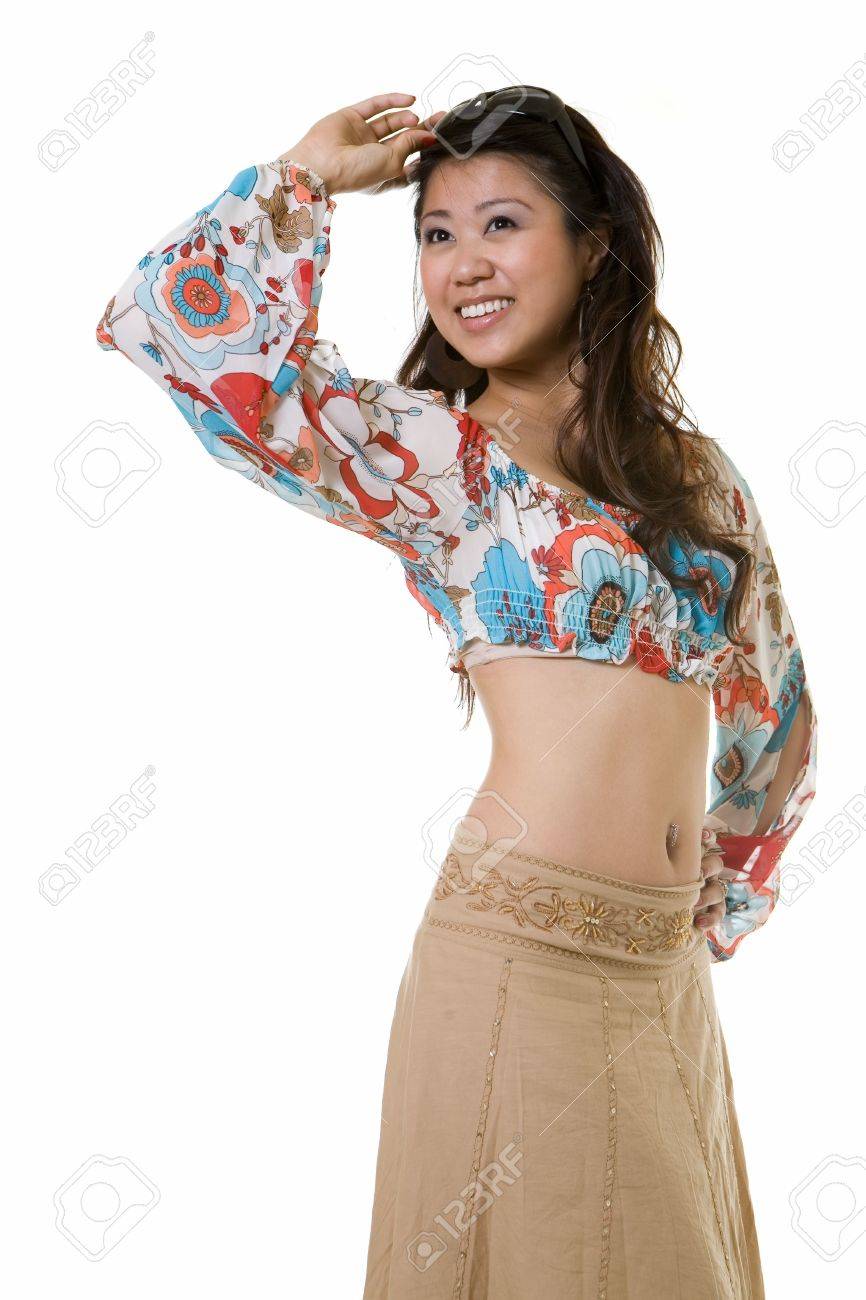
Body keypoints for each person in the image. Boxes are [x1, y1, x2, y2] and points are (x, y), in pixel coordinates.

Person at [96, 87, 817, 1298]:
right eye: (435, 234)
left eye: (500, 224)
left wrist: (727, 883)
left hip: (662, 977)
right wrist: (307, 176)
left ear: (593, 244)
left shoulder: (694, 477)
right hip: (517, 958)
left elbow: (774, 700)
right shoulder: (433, 456)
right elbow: (177, 325)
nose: (463, 264)